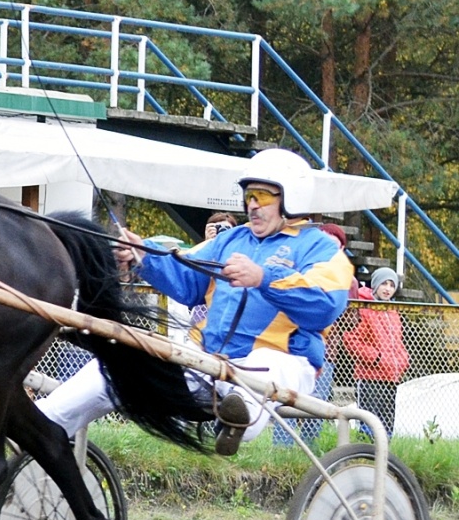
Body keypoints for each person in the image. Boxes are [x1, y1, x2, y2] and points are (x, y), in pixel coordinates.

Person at [37, 148, 354, 455]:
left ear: (291, 198)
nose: (253, 205)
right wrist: (143, 253)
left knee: (256, 380)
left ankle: (236, 417)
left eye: (264, 196)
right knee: (115, 367)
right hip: (208, 358)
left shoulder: (321, 248)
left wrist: (263, 278)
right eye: (249, 197)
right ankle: (39, 423)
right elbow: (187, 277)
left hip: (282, 361)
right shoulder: (230, 239)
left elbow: (327, 304)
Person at [272, 221, 358, 446]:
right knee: (288, 397)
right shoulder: (301, 266)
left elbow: (351, 318)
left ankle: (311, 446)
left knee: (316, 402)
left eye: (334, 243)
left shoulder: (347, 278)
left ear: (340, 249)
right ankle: (283, 447)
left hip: (326, 350)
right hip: (292, 344)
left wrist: (331, 309)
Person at [342, 267, 409, 439]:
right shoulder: (364, 310)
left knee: (386, 423)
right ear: (376, 285)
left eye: (391, 285)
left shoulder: (393, 312)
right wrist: (376, 358)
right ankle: (364, 454)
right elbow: (351, 340)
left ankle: (384, 455)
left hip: (391, 377)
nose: (387, 289)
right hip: (370, 376)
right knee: (368, 421)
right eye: (384, 284)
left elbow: (398, 343)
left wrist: (403, 360)